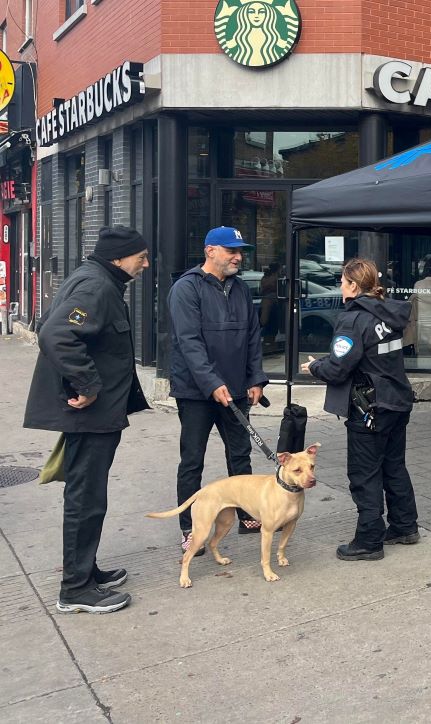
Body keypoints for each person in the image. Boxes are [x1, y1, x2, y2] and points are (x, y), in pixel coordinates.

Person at [24, 226, 151, 614]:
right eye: (140, 256)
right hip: (89, 413)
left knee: (88, 496)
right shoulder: (96, 286)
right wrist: (89, 385)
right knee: (86, 498)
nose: (146, 263)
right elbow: (57, 333)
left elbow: (49, 322)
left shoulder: (96, 281)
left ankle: (85, 569)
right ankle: (75, 589)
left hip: (95, 414)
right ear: (118, 258)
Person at [301, 258, 419, 560]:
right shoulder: (388, 313)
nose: (340, 285)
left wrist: (315, 367)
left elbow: (339, 369)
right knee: (393, 465)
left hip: (370, 408)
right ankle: (405, 526)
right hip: (396, 402)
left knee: (364, 474)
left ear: (353, 285)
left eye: (342, 281)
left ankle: (369, 540)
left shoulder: (354, 319)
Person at [168, 226, 268, 556]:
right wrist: (212, 383)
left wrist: (256, 378)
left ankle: (247, 513)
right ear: (210, 251)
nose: (238, 257)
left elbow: (254, 336)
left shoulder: (240, 289)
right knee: (192, 459)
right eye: (231, 251)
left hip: (237, 388)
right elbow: (189, 343)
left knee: (240, 453)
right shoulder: (186, 288)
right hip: (195, 392)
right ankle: (188, 527)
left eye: (240, 251)